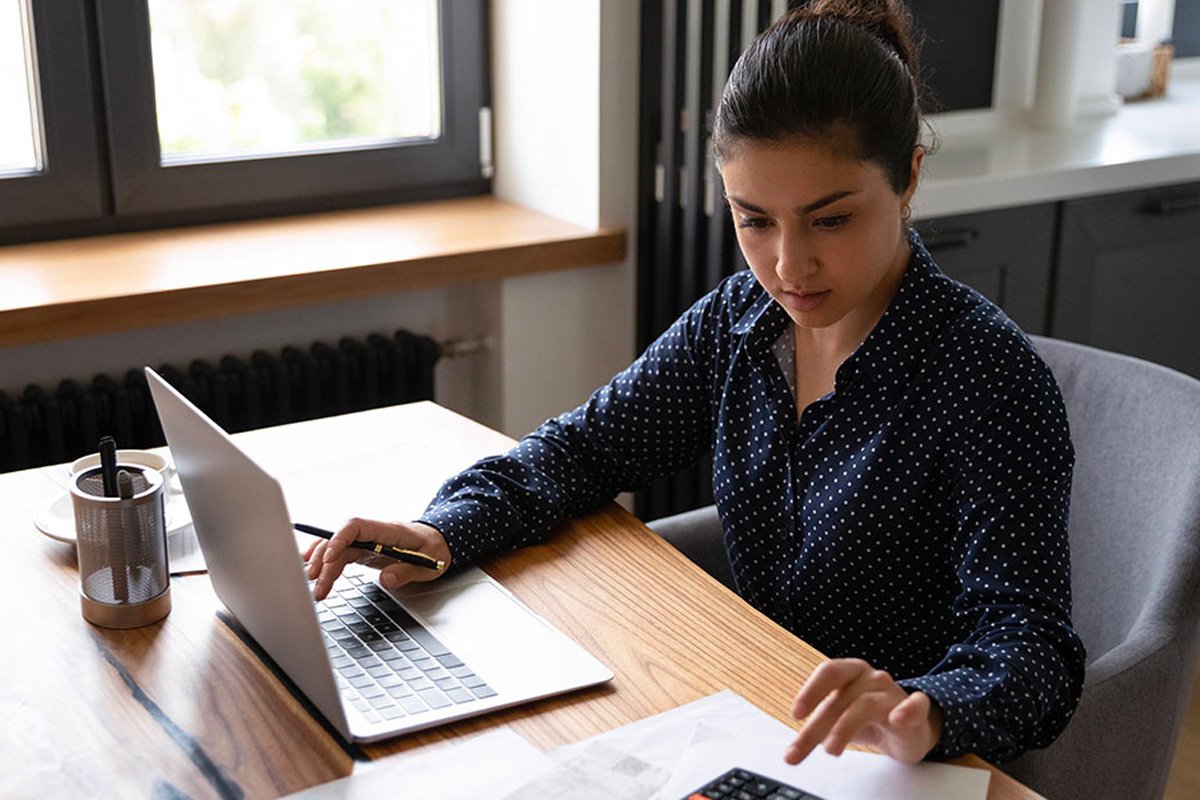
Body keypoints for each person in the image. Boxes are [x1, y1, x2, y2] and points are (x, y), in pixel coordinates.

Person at [305, 0, 1085, 767]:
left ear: (909, 175)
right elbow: (583, 449)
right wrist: (447, 529)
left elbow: (1032, 646)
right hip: (749, 721)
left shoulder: (986, 379)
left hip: (902, 768)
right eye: (754, 219)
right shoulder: (742, 323)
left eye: (832, 220)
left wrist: (925, 709)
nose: (789, 265)